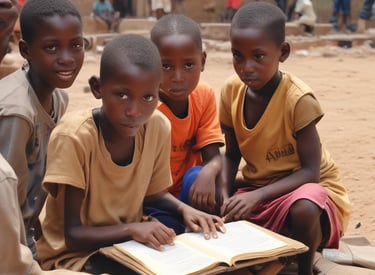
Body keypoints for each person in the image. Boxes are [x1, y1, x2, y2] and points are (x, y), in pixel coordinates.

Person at [36, 33, 225, 273]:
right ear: (97, 88)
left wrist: (185, 209)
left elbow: (154, 195)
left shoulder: (157, 126)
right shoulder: (74, 138)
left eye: (148, 97)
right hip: (76, 256)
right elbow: (73, 235)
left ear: (159, 93)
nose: (134, 111)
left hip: (128, 246)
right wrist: (133, 229)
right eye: (122, 95)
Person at [218, 2, 351, 275]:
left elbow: (312, 173)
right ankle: (276, 251)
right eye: (237, 56)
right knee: (203, 188)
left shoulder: (297, 99)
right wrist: (223, 195)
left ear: (283, 52)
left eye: (258, 56)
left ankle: (303, 267)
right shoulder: (231, 91)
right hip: (261, 188)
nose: (246, 67)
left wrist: (257, 196)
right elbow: (232, 155)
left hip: (307, 193)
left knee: (304, 206)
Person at [0, 0, 84, 259]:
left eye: (76, 45)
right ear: (25, 50)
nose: (67, 58)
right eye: (51, 48)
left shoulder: (58, 98)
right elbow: (5, 195)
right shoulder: (17, 112)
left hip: (22, 230)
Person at [145, 14, 225, 234]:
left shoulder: (204, 95)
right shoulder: (144, 108)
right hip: (154, 199)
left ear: (203, 61)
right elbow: (144, 186)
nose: (178, 77)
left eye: (189, 64)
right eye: (166, 66)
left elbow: (214, 157)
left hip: (192, 192)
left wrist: (209, 171)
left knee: (200, 177)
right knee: (168, 233)